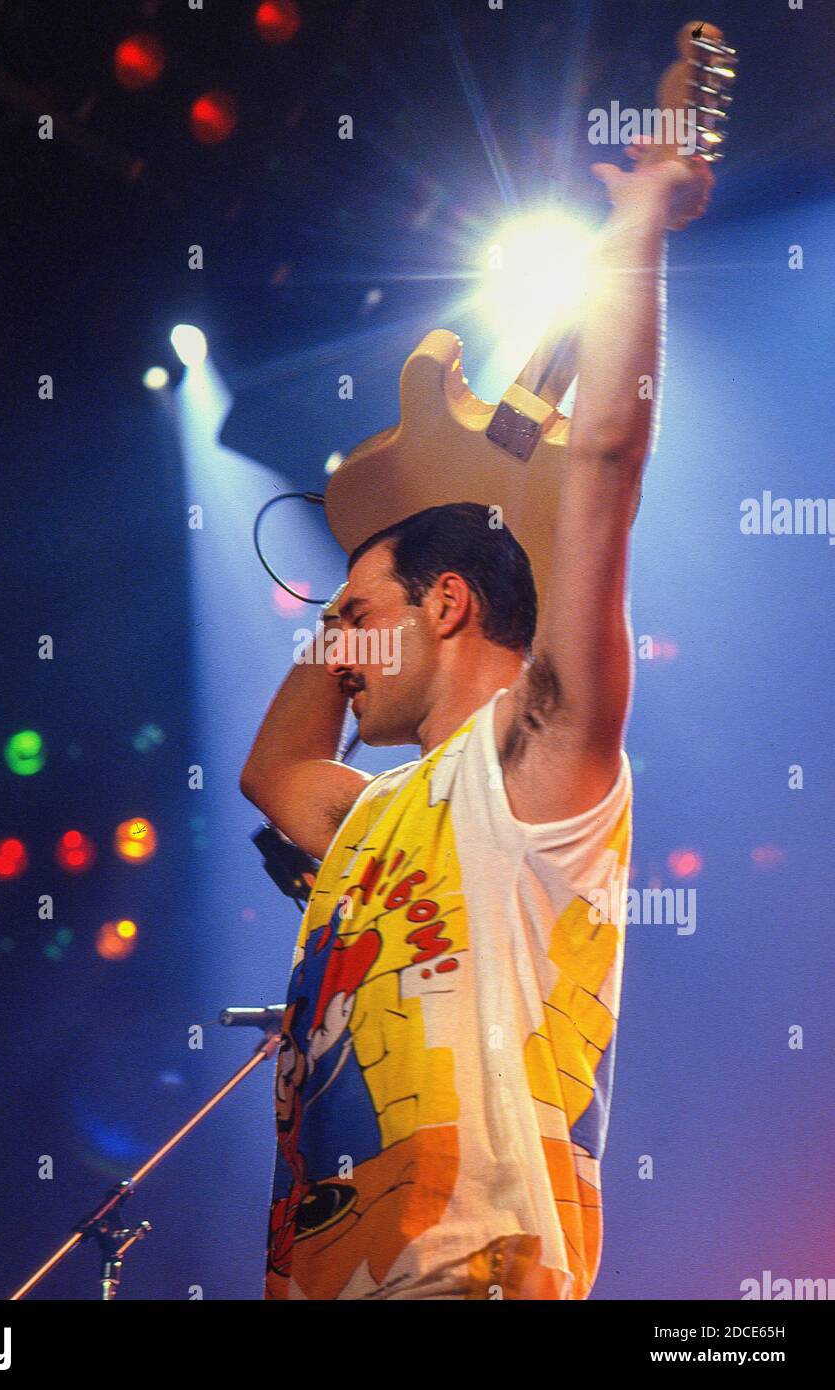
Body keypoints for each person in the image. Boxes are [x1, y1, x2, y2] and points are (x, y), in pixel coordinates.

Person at [241, 145, 713, 1300]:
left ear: (448, 605)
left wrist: (638, 226)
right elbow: (272, 768)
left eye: (355, 625)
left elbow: (603, 461)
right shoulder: (373, 813)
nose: (339, 658)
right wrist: (381, 558)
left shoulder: (531, 771)